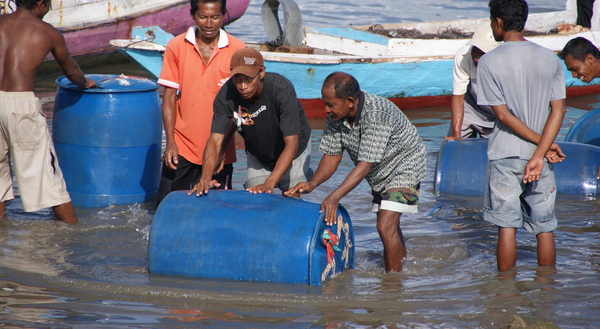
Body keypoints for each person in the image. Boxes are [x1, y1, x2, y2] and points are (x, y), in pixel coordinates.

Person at [285, 72, 426, 272]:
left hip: (405, 164)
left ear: (350, 101)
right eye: (324, 103)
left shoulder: (376, 113)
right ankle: (400, 267)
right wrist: (312, 183)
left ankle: (392, 287)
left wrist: (334, 196)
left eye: (330, 104)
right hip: (379, 171)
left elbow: (365, 164)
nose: (326, 110)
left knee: (385, 225)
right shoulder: (336, 115)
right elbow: (332, 156)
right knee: (389, 226)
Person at [477, 0, 567, 272]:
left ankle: (505, 294)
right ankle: (546, 293)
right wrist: (543, 150)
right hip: (541, 157)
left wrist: (542, 146)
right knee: (545, 227)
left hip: (506, 155)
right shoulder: (549, 59)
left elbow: (503, 115)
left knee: (506, 227)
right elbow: (559, 110)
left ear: (499, 22)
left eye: (492, 22)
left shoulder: (490, 62)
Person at [0, 0, 96, 223]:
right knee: (47, 176)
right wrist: (85, 83)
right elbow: (71, 70)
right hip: (20, 104)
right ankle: (73, 236)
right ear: (41, 3)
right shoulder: (47, 32)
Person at [155, 0, 245, 207]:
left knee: (214, 212)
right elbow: (168, 99)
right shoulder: (177, 46)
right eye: (203, 17)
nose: (208, 23)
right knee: (166, 209)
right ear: (192, 15)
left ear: (223, 16)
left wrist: (223, 149)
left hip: (220, 149)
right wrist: (170, 143)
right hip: (182, 147)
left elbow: (239, 108)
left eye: (215, 17)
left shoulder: (237, 49)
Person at [192, 47, 312, 196]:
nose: (243, 86)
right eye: (237, 79)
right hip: (258, 151)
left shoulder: (281, 89)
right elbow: (215, 140)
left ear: (261, 73)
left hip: (293, 148)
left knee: (290, 194)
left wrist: (270, 182)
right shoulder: (225, 96)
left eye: (249, 79)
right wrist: (205, 178)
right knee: (257, 198)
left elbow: (292, 143)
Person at [444, 24, 500, 140]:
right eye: (475, 51)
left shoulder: (505, 62)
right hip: (470, 108)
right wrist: (456, 136)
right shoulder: (463, 55)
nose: (476, 58)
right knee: (454, 146)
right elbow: (458, 97)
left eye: (482, 53)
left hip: (498, 113)